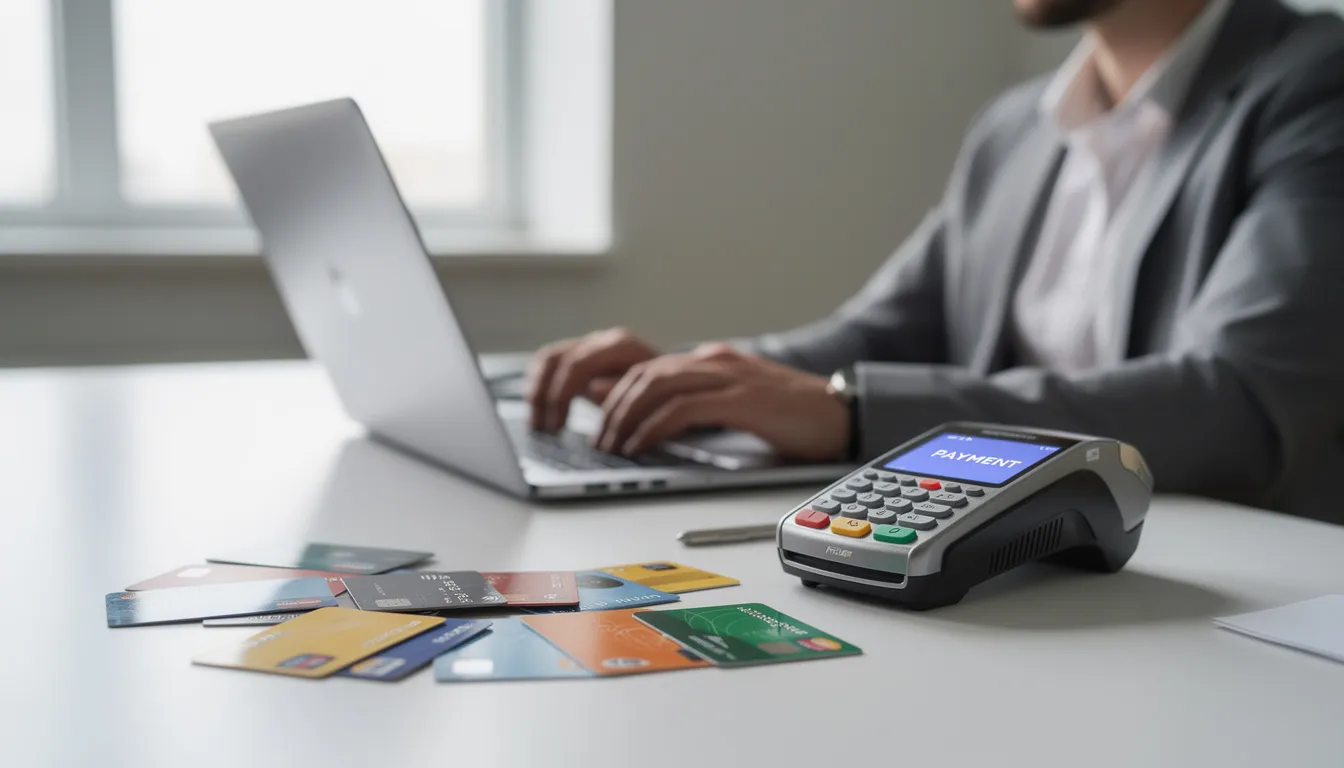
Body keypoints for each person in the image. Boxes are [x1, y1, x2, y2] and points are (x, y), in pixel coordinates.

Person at [526, 0, 1344, 522]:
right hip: (1028, 558)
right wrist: (688, 380)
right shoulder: (1016, 129)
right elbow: (883, 333)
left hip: (1239, 586)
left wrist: (853, 414)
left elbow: (1238, 404)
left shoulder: (1316, 85)